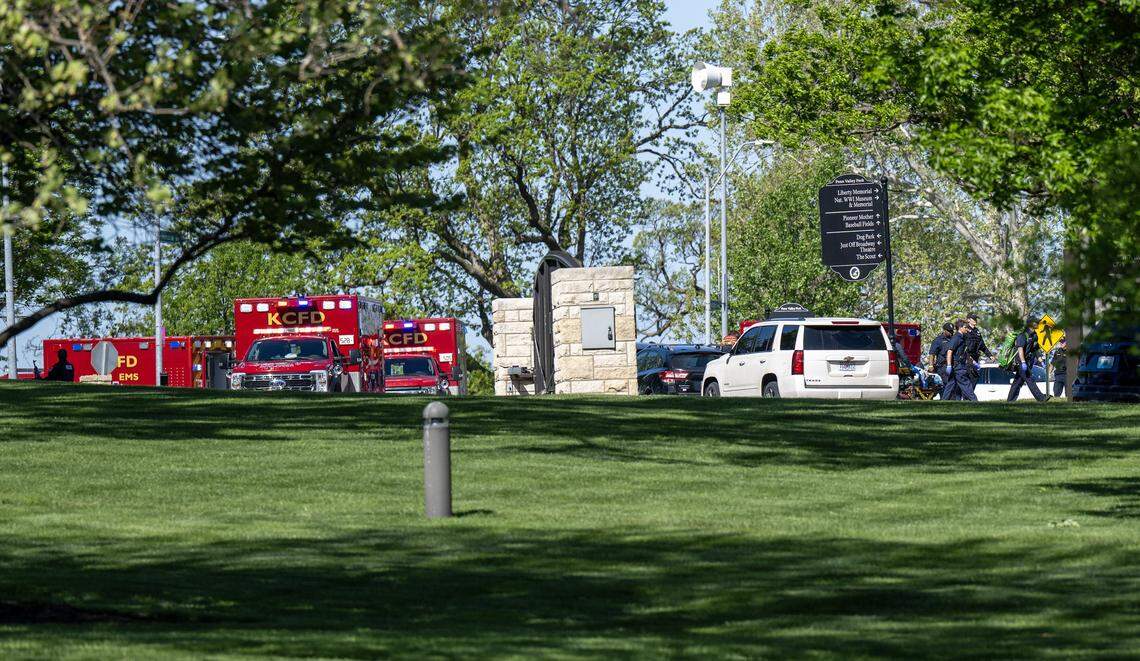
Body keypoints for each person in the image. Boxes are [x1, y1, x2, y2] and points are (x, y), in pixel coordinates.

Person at [1007, 316, 1049, 402]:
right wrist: (1023, 362)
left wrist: (1040, 359)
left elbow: (1035, 348)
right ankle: (1041, 398)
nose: (1038, 324)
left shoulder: (1035, 335)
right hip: (1020, 361)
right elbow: (1020, 349)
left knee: (1017, 382)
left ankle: (1010, 400)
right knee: (1029, 379)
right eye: (1036, 322)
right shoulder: (1022, 335)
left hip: (1027, 360)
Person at [944, 319, 977, 401]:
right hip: (958, 366)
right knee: (966, 384)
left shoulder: (963, 338)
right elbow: (949, 351)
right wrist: (948, 365)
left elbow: (964, 353)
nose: (967, 329)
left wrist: (974, 363)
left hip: (959, 365)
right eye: (966, 327)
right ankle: (975, 402)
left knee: (950, 385)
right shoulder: (956, 338)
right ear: (960, 328)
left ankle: (943, 401)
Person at [964, 311, 991, 391]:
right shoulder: (965, 330)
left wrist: (990, 355)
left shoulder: (977, 331)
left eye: (976, 319)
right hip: (967, 358)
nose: (975, 320)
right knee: (970, 378)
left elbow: (982, 346)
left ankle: (968, 398)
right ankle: (968, 398)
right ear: (968, 320)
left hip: (975, 358)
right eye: (973, 319)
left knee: (974, 378)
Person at [929, 323, 955, 399]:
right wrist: (931, 365)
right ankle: (944, 401)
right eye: (949, 331)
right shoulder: (938, 340)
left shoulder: (954, 339)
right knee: (945, 387)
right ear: (944, 330)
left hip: (952, 365)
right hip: (942, 367)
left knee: (952, 387)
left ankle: (951, 402)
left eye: (952, 331)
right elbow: (932, 354)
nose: (951, 333)